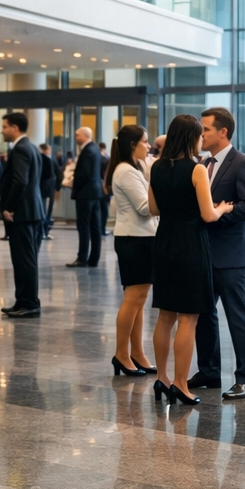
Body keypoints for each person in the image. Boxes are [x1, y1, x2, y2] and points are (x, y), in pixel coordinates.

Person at [147, 115, 233, 405]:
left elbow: (153, 208)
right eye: (199, 135)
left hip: (165, 240)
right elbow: (208, 214)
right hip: (191, 244)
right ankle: (181, 385)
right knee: (189, 317)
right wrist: (223, 208)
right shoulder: (197, 169)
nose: (201, 140)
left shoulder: (157, 167)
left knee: (165, 314)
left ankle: (162, 378)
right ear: (191, 138)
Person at [190, 108, 245, 399]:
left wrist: (217, 213)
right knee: (204, 314)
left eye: (205, 129)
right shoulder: (203, 163)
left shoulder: (242, 163)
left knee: (237, 315)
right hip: (203, 252)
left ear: (223, 132)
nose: (201, 134)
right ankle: (209, 372)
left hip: (230, 254)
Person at [107, 124, 157, 376]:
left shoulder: (135, 167)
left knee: (139, 299)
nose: (149, 147)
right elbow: (145, 207)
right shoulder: (125, 171)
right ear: (132, 145)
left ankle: (137, 352)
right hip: (134, 240)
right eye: (145, 142)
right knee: (133, 298)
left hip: (141, 238)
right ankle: (121, 353)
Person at [0, 112, 45, 317]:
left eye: (5, 126)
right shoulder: (31, 147)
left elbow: (20, 181)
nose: (2, 130)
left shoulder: (21, 149)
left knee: (24, 260)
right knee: (25, 259)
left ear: (15, 128)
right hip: (31, 211)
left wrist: (9, 207)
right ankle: (23, 301)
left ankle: (29, 303)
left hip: (23, 214)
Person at [68, 126, 103, 267]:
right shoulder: (95, 149)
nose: (76, 137)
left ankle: (82, 258)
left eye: (77, 135)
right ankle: (94, 258)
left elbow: (84, 173)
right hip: (94, 193)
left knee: (84, 227)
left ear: (85, 136)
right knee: (95, 227)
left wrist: (73, 183)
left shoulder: (87, 150)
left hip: (85, 193)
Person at [38, 142, 58, 242]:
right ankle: (43, 231)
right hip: (47, 189)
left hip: (45, 189)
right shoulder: (47, 159)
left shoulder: (47, 159)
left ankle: (44, 231)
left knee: (45, 210)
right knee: (44, 210)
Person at [98, 141, 113, 235]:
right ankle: (102, 229)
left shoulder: (97, 157)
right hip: (104, 187)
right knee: (104, 210)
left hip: (99, 187)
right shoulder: (106, 158)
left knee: (101, 209)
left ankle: (100, 229)